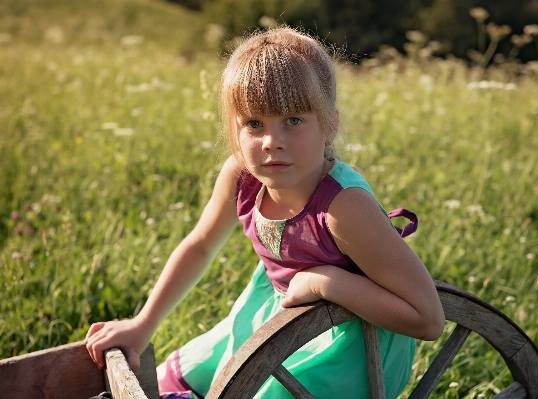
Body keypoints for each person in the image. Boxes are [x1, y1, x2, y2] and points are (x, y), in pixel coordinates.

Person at [85, 26, 445, 399]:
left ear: (329, 123)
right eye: (254, 124)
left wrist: (327, 283)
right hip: (272, 316)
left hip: (348, 341)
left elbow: (428, 318)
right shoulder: (242, 176)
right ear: (234, 129)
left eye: (293, 120)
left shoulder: (343, 206)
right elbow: (202, 245)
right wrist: (143, 324)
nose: (272, 141)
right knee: (180, 377)